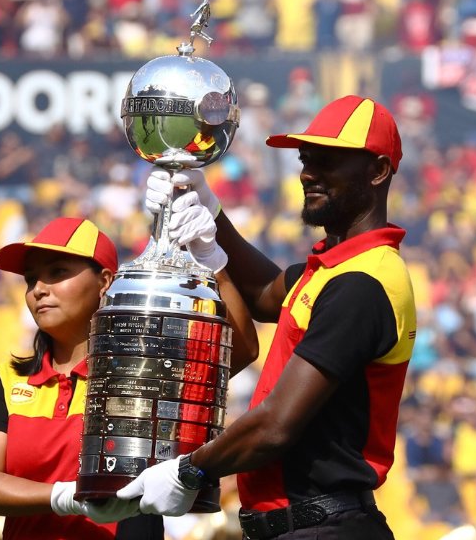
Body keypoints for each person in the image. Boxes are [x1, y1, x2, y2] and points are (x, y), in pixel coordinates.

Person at [122, 95, 417, 539]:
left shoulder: (363, 282)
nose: (307, 173)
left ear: (377, 171)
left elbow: (276, 426)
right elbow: (265, 295)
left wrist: (187, 471)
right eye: (305, 159)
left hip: (326, 527)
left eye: (328, 161)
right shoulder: (337, 267)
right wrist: (208, 212)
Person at [0, 218, 150, 539]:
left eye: (58, 272)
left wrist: (212, 253)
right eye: (31, 279)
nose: (38, 290)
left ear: (105, 280)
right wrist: (68, 497)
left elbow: (237, 350)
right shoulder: (4, 380)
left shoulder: (144, 374)